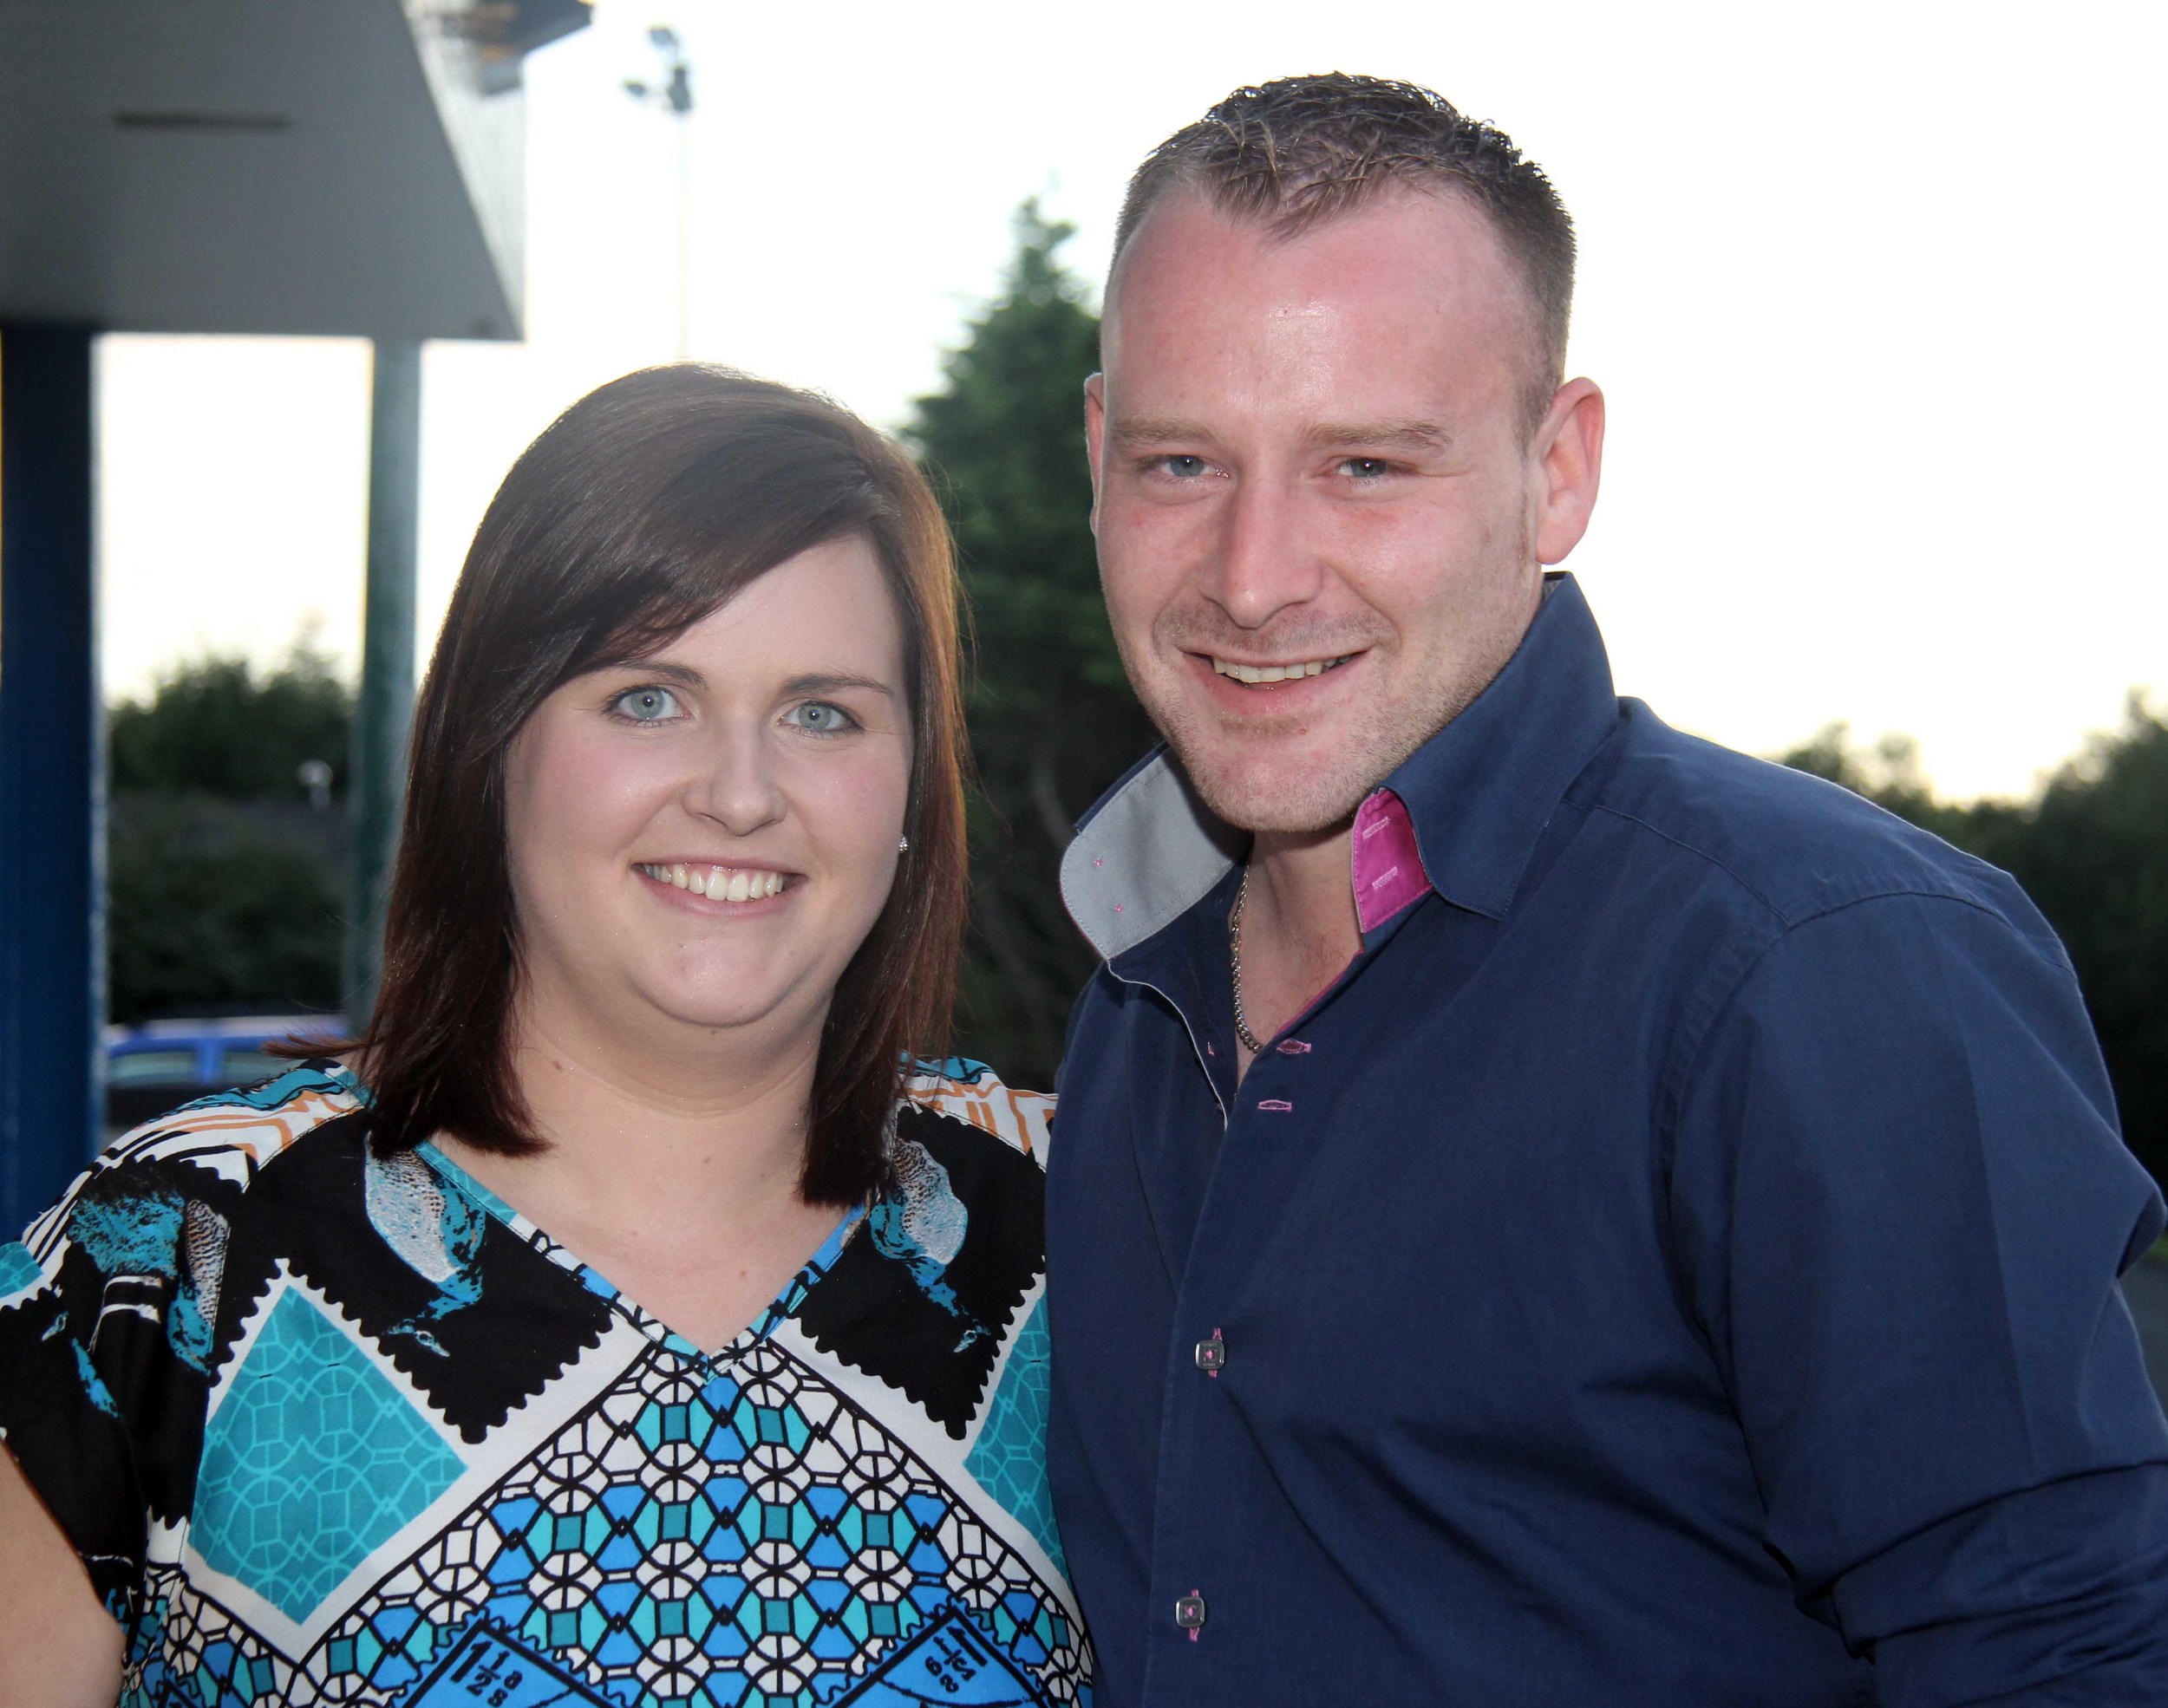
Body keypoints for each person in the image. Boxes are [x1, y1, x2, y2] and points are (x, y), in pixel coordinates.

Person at [1046, 73, 2168, 1705]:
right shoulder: (1130, 1003)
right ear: (1096, 456)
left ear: (1558, 470)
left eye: (1365, 464)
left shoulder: (1823, 972)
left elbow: (2063, 1657)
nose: (1252, 573)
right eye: (1179, 464)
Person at [0, 367, 1089, 1707]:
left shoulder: (1095, 1233)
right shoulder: (169, 1259)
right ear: (488, 744)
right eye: (647, 696)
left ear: (914, 783)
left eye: (824, 712)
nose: (741, 792)